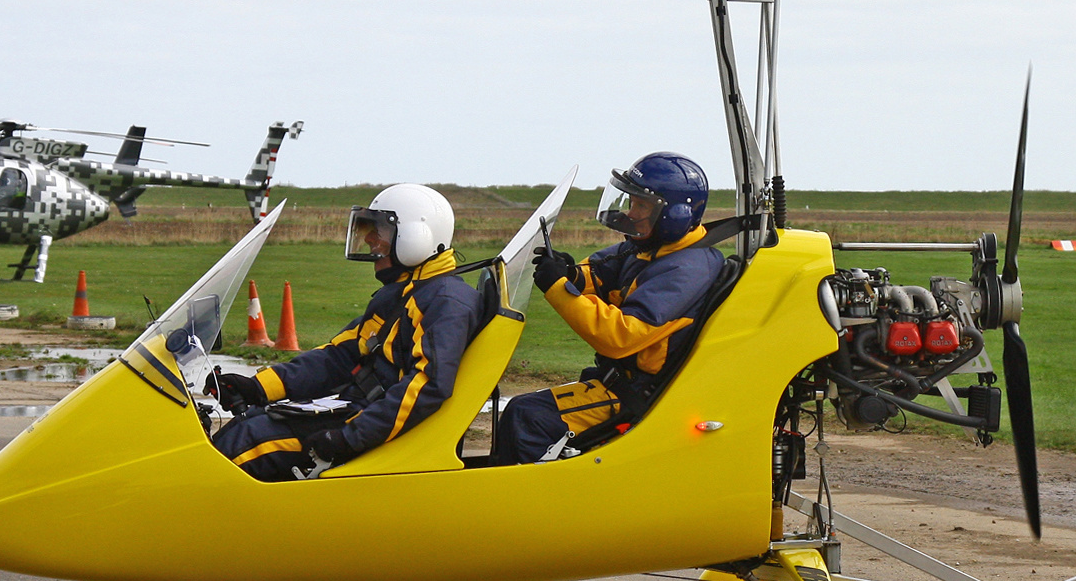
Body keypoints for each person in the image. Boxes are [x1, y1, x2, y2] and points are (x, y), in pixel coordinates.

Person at [210, 184, 491, 481]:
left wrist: (347, 437)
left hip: (369, 426)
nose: (369, 238)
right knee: (247, 424)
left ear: (416, 237)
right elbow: (339, 356)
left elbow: (427, 386)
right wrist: (258, 388)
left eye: (380, 229)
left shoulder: (446, 302)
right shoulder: (405, 293)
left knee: (244, 445)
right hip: (358, 411)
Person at [493, 152, 725, 464]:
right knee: (523, 411)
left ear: (675, 214)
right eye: (631, 202)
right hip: (616, 380)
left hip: (636, 393)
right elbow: (603, 273)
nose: (632, 212)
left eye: (642, 205)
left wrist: (559, 289)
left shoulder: (687, 269)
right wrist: (571, 273)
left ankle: (527, 506)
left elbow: (621, 336)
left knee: (528, 416)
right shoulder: (651, 248)